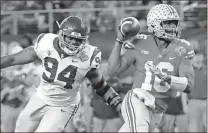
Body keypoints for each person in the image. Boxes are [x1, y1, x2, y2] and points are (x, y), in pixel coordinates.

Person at [1, 16, 122, 132]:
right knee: (21, 128)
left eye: (78, 40)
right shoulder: (46, 43)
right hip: (42, 97)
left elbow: (101, 86)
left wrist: (119, 105)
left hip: (64, 105)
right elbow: (13, 59)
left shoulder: (88, 56)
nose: (73, 43)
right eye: (70, 38)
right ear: (61, 34)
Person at [108, 4, 195, 132]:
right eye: (168, 23)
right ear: (154, 24)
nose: (173, 27)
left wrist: (169, 79)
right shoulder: (139, 42)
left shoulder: (183, 48)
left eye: (174, 23)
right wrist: (119, 41)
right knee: (140, 128)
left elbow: (189, 86)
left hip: (157, 111)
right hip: (137, 99)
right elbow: (113, 71)